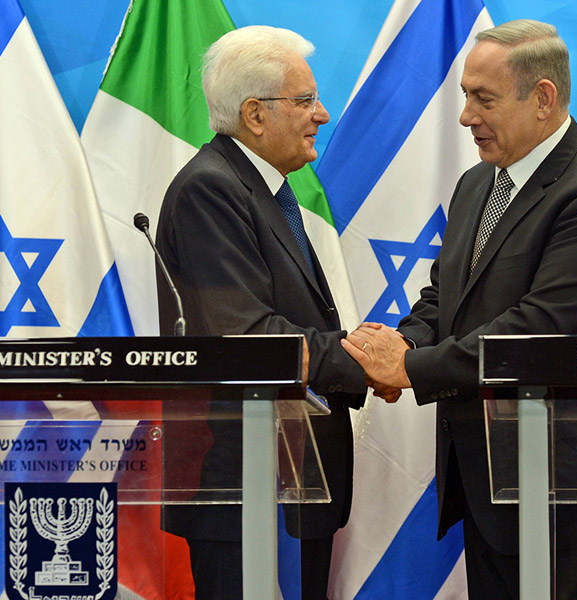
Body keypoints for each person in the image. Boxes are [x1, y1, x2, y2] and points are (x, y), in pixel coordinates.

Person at [342, 19, 577, 599]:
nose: (465, 116)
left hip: (563, 495)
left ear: (543, 98)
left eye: (483, 98)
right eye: (464, 96)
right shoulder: (477, 183)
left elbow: (544, 330)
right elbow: (443, 297)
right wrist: (402, 343)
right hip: (489, 484)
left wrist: (409, 369)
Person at [155, 26, 366, 600]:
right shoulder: (211, 189)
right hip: (241, 484)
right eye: (304, 101)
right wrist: (362, 361)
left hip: (291, 477)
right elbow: (248, 337)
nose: (321, 114)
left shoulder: (260, 187)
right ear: (254, 114)